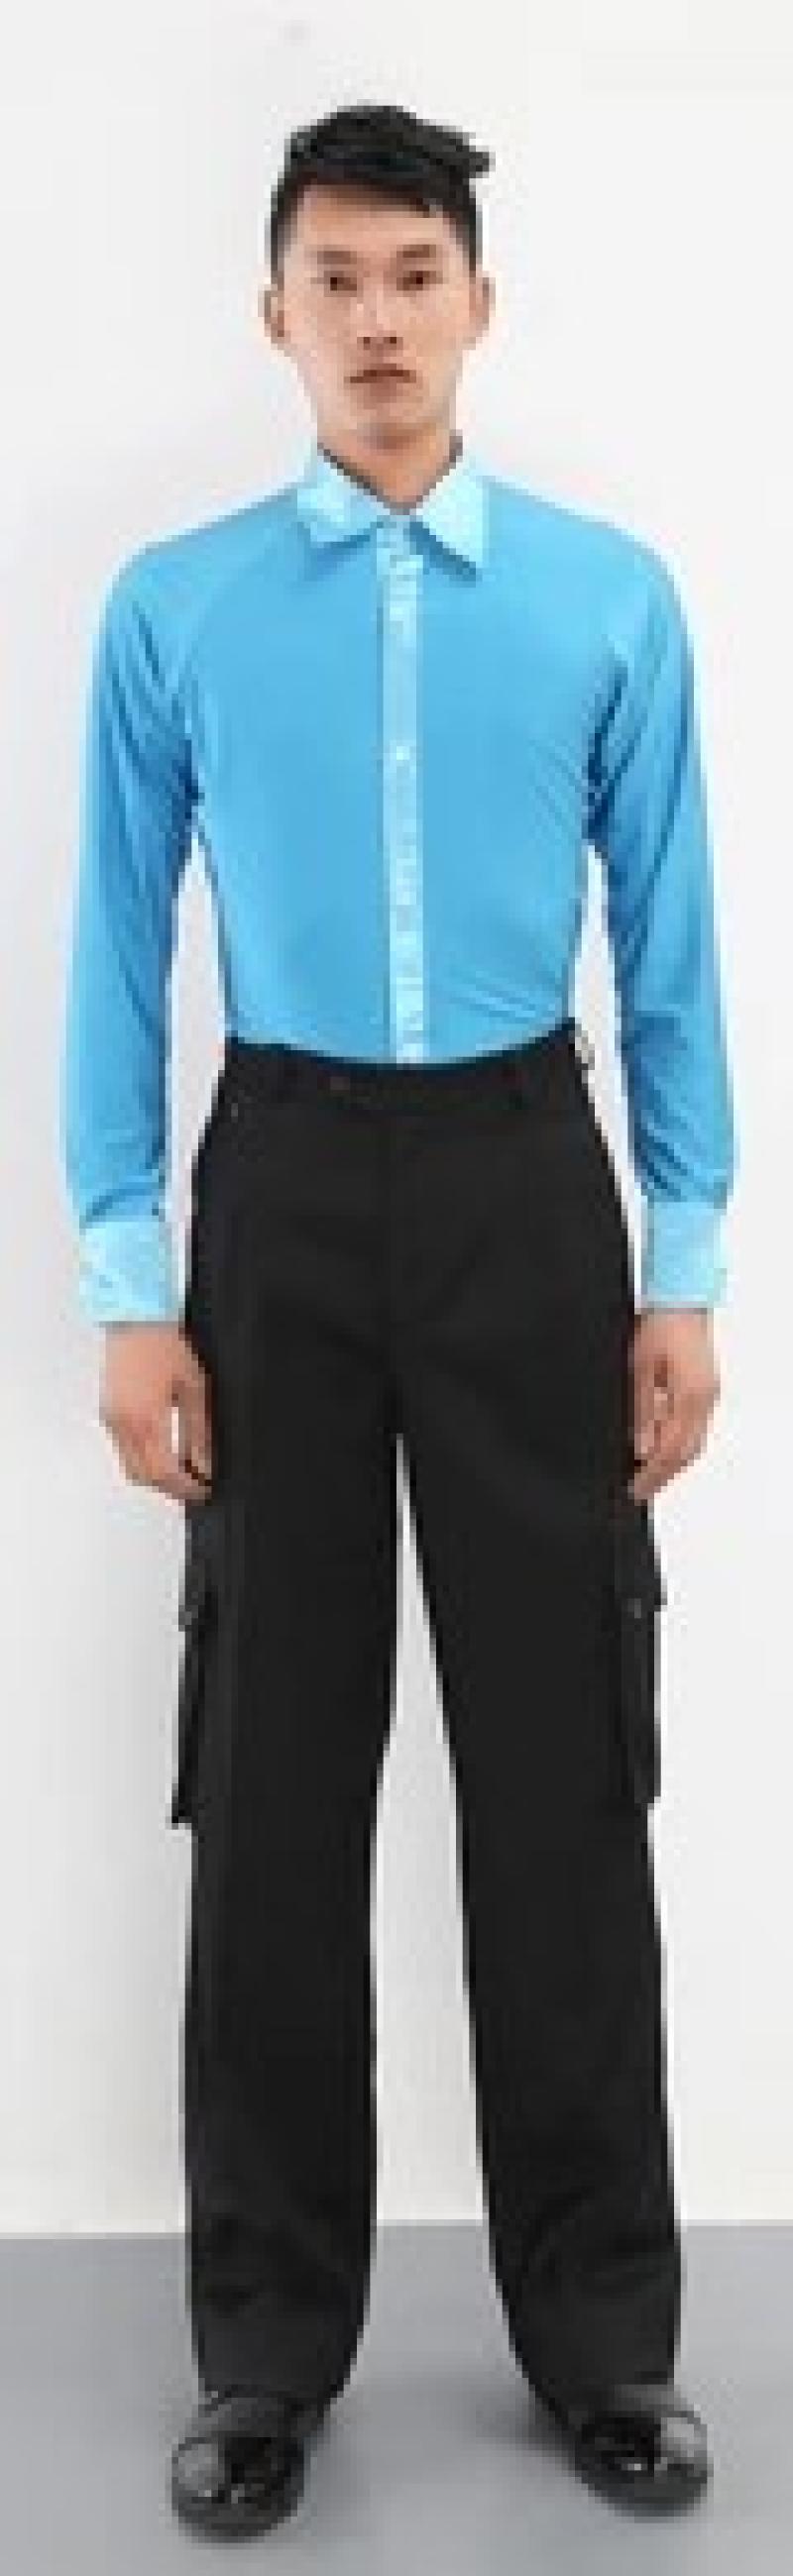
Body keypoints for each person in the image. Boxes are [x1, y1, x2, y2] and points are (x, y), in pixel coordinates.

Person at [59, 100, 736, 2538]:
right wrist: (130, 1281)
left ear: (478, 302)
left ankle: (603, 2336)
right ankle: (265, 2349)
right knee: (270, 1782)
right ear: (274, 314)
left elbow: (671, 956)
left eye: (412, 274)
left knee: (564, 1776)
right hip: (281, 1195)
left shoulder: (608, 600)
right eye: (333, 278)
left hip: (523, 1189)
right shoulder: (173, 609)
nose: (375, 318)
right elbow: (112, 952)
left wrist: (682, 1267)